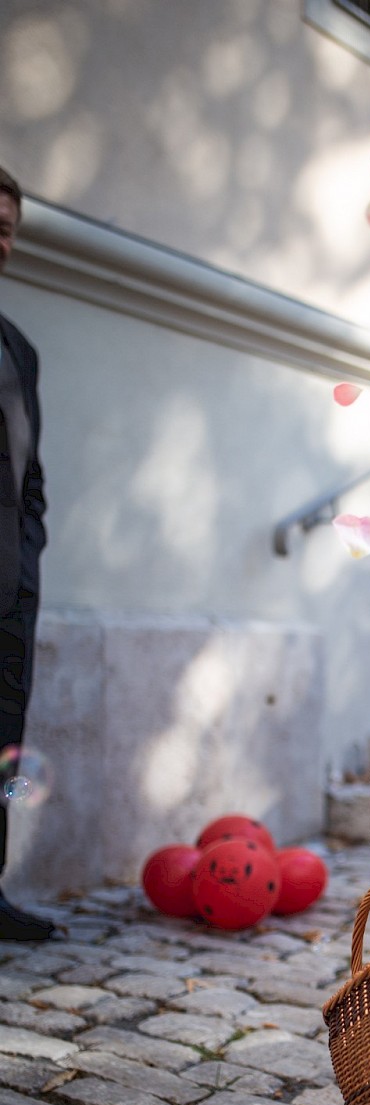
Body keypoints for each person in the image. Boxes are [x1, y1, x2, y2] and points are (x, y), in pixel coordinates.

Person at [0, 167, 53, 942]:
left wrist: (30, 550)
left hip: (12, 584)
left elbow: (30, 472)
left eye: (7, 224)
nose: (0, 237)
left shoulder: (19, 347)